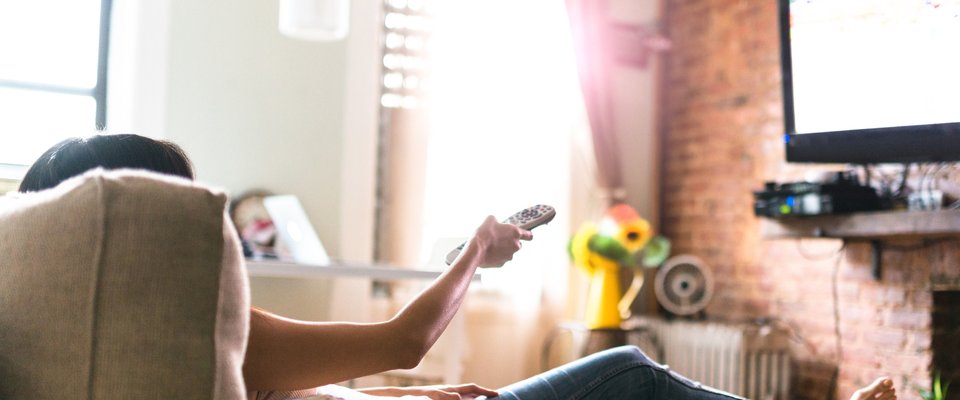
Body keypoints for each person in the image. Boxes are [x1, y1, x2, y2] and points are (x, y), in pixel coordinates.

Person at [19, 134, 898, 400]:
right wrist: (478, 249)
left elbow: (354, 383)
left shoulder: (158, 351)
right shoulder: (210, 340)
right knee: (631, 374)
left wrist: (417, 399)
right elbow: (405, 336)